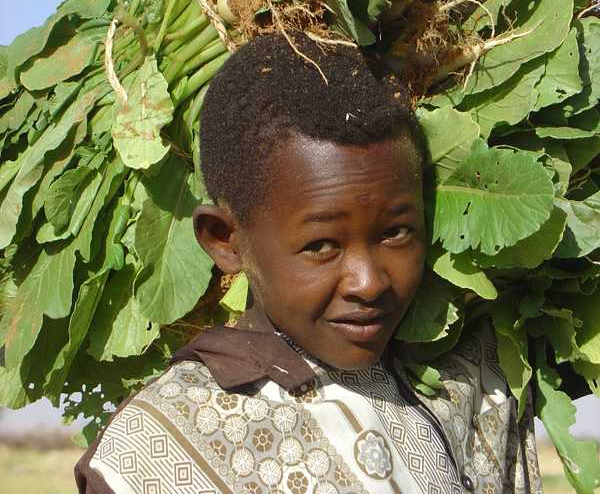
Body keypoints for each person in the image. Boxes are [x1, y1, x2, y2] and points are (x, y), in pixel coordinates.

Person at [75, 31, 542, 494]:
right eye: (321, 245)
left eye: (396, 232)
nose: (368, 282)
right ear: (225, 240)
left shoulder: (466, 381)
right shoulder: (152, 449)